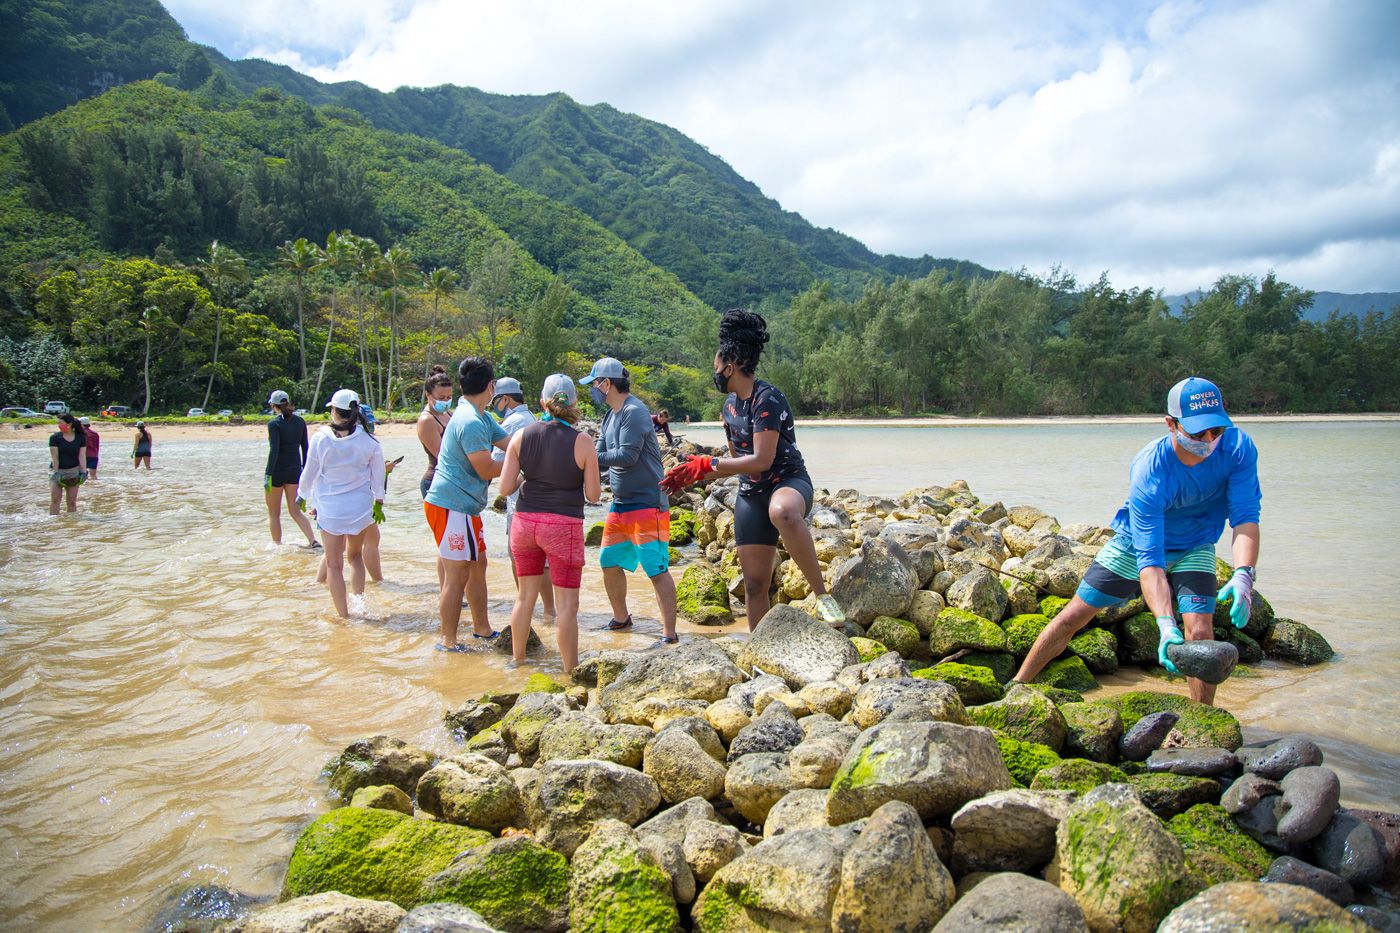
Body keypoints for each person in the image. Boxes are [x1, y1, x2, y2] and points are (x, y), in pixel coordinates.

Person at [1010, 377, 1261, 706]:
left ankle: (1204, 717)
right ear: (1171, 424)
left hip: (1195, 544)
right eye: (1199, 433)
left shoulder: (1239, 449)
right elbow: (1151, 562)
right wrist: (1166, 625)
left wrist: (1244, 572)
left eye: (1218, 430)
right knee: (1074, 615)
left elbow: (1245, 518)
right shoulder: (1151, 470)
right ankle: (1016, 686)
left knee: (1200, 631)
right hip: (1136, 545)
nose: (1210, 440)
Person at [660, 309, 846, 631]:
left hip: (788, 482)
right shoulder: (729, 408)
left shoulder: (767, 397)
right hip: (751, 495)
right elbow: (738, 462)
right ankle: (758, 653)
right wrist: (696, 474)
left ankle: (822, 595)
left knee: (784, 511)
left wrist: (709, 462)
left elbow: (761, 460)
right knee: (754, 586)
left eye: (716, 368)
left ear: (729, 367)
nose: (715, 373)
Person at [498, 374, 602, 671]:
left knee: (524, 598)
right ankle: (569, 672)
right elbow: (594, 496)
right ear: (575, 402)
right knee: (567, 607)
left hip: (524, 523)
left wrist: (530, 475)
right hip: (562, 526)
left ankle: (518, 662)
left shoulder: (521, 436)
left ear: (542, 402)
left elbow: (505, 489)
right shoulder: (583, 441)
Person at [579, 357, 679, 643]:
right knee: (608, 560)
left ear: (607, 383)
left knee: (656, 569)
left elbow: (626, 456)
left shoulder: (633, 411)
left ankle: (669, 635)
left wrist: (586, 457)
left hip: (648, 504)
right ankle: (621, 618)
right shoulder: (610, 415)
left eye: (595, 383)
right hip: (621, 504)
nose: (593, 389)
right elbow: (598, 453)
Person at [424, 356, 510, 651]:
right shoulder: (471, 421)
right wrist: (519, 467)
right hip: (450, 505)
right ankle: (447, 641)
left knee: (478, 565)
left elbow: (510, 443)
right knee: (457, 574)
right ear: (491, 387)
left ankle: (482, 629)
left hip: (465, 506)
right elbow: (486, 469)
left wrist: (540, 440)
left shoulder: (481, 415)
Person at [296, 389, 385, 619]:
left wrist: (301, 495)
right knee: (354, 556)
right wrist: (379, 502)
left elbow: (309, 473)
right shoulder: (369, 439)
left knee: (334, 564)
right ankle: (359, 605)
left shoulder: (320, 437)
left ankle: (344, 616)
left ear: (333, 410)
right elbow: (378, 476)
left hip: (330, 510)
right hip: (360, 509)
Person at [491, 376, 556, 621]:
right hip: (542, 499)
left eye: (496, 399)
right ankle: (549, 611)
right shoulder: (531, 419)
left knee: (520, 558)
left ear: (505, 399)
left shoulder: (512, 423)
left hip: (519, 501)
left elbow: (498, 464)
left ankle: (526, 608)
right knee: (543, 559)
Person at [417, 365, 455, 588]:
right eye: (441, 397)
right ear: (428, 395)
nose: (446, 400)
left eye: (450, 397)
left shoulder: (447, 413)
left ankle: (453, 589)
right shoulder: (427, 420)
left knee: (452, 541)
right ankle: (447, 591)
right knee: (445, 543)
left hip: (452, 481)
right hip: (435, 482)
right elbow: (444, 457)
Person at [264, 390, 319, 548]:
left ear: (273, 406)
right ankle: (312, 541)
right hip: (295, 470)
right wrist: (304, 469)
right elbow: (305, 447)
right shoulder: (300, 422)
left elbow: (274, 451)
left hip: (277, 471)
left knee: (274, 513)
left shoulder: (273, 424)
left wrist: (268, 475)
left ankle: (277, 545)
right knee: (295, 511)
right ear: (287, 404)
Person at [48, 413, 87, 514]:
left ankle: (71, 525)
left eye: (61, 423)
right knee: (55, 499)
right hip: (57, 470)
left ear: (69, 424)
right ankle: (54, 523)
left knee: (71, 501)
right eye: (58, 423)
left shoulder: (80, 437)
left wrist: (83, 472)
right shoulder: (55, 438)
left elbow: (82, 456)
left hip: (73, 471)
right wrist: (56, 472)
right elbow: (54, 457)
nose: (59, 425)